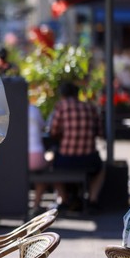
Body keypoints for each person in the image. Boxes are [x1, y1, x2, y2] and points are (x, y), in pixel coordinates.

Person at [49, 81, 105, 211]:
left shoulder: (61, 106)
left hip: (66, 159)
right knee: (101, 169)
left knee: (51, 164)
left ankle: (63, 200)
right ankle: (93, 200)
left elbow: (53, 131)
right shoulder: (90, 107)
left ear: (62, 95)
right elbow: (100, 132)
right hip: (89, 159)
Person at [28, 103, 49, 215]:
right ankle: (36, 204)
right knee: (43, 173)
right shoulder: (34, 110)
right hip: (36, 155)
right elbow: (43, 127)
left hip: (16, 158)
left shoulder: (9, 110)